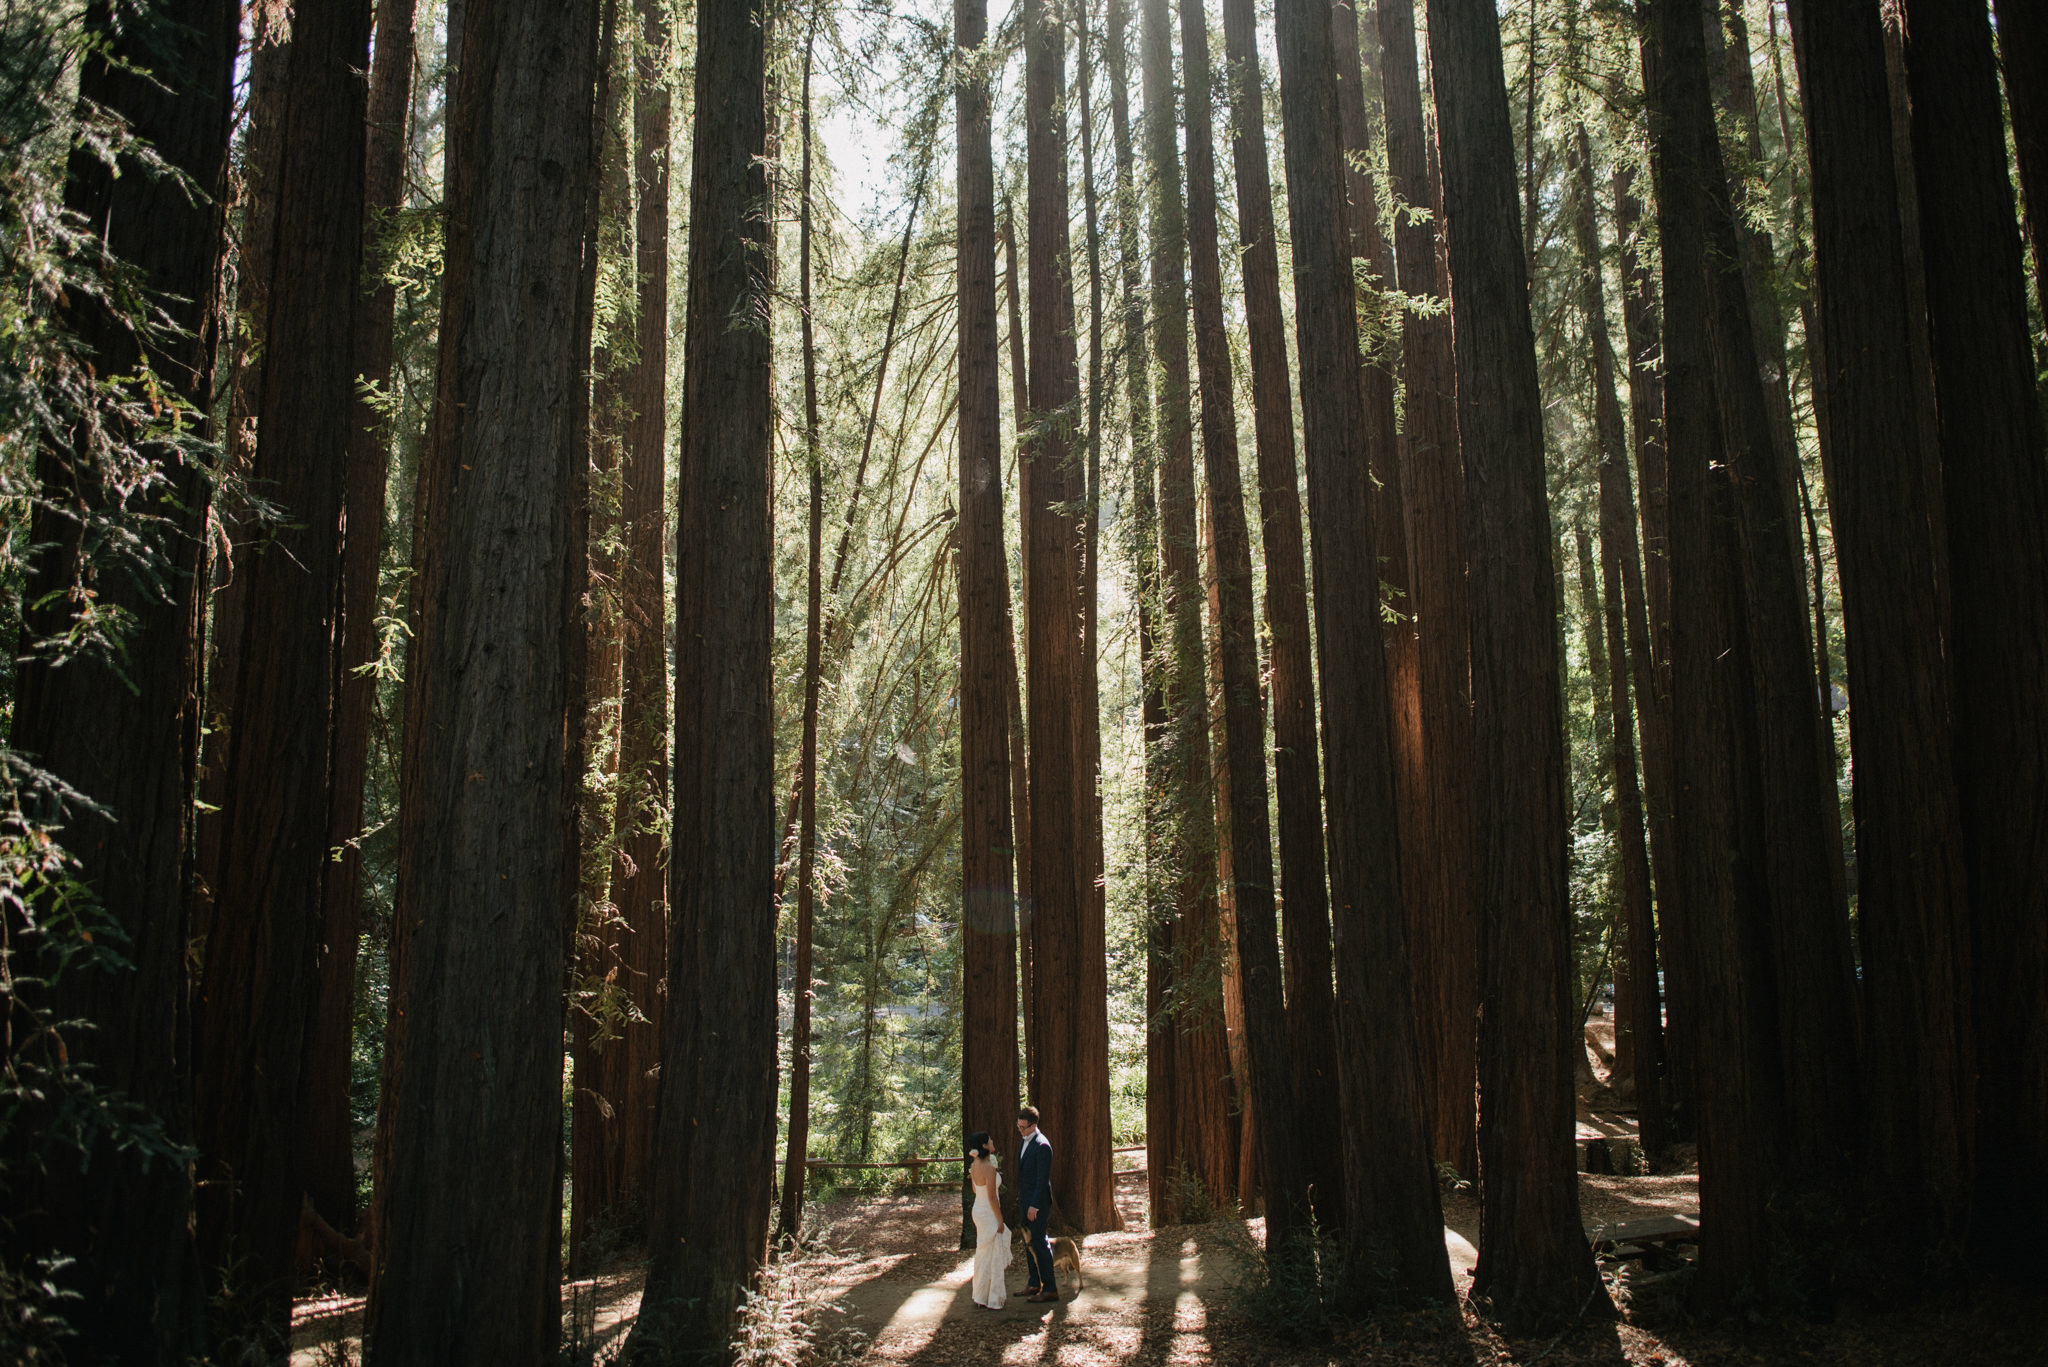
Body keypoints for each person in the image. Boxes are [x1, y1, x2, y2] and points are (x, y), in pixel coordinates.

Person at [1015, 1106, 1057, 1302]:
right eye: (1019, 1126)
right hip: (1025, 1202)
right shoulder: (1025, 1142)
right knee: (1028, 1243)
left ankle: (1050, 1288)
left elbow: (1042, 1180)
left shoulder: (1042, 1146)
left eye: (1024, 1127)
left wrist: (1034, 1206)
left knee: (1040, 1243)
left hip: (1037, 1204)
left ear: (1034, 1125)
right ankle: (1033, 1283)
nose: (1021, 1131)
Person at [965, 1132, 1010, 1309]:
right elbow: (992, 1197)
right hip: (989, 1211)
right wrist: (1000, 1220)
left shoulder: (974, 1165)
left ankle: (980, 1295)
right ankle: (992, 1298)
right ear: (984, 1145)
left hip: (978, 1210)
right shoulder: (989, 1167)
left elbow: (976, 1191)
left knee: (983, 1253)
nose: (992, 1141)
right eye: (990, 1140)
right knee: (994, 1253)